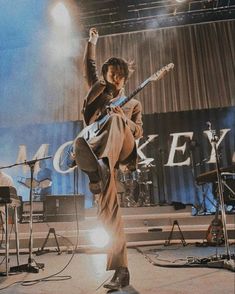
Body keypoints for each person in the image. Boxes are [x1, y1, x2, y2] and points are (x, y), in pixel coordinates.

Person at [73, 28, 143, 290]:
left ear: (125, 78)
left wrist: (123, 117)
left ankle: (99, 167)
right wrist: (92, 42)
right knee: (109, 212)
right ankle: (121, 270)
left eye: (119, 75)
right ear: (105, 75)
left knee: (115, 119)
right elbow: (87, 66)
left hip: (121, 146)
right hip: (101, 152)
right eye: (111, 73)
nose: (115, 78)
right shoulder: (97, 91)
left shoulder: (132, 104)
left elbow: (139, 131)